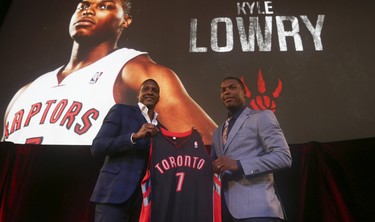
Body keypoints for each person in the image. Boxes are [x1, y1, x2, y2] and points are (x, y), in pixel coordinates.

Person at [2, 0, 216, 145]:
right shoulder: (27, 91)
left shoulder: (133, 69)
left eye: (104, 5)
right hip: (22, 200)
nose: (88, 10)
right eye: (83, 5)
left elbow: (205, 139)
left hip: (93, 200)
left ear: (125, 20)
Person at [211, 77, 292, 222]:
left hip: (258, 210)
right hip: (223, 212)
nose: (227, 92)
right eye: (223, 90)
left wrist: (239, 164)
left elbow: (283, 157)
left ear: (245, 92)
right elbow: (214, 165)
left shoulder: (262, 117)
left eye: (232, 87)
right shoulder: (217, 132)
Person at [90, 79, 160, 222]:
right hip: (113, 193)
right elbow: (98, 147)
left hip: (144, 202)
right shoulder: (121, 111)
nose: (150, 92)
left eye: (154, 90)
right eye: (146, 89)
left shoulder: (162, 129)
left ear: (159, 97)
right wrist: (134, 137)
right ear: (138, 94)